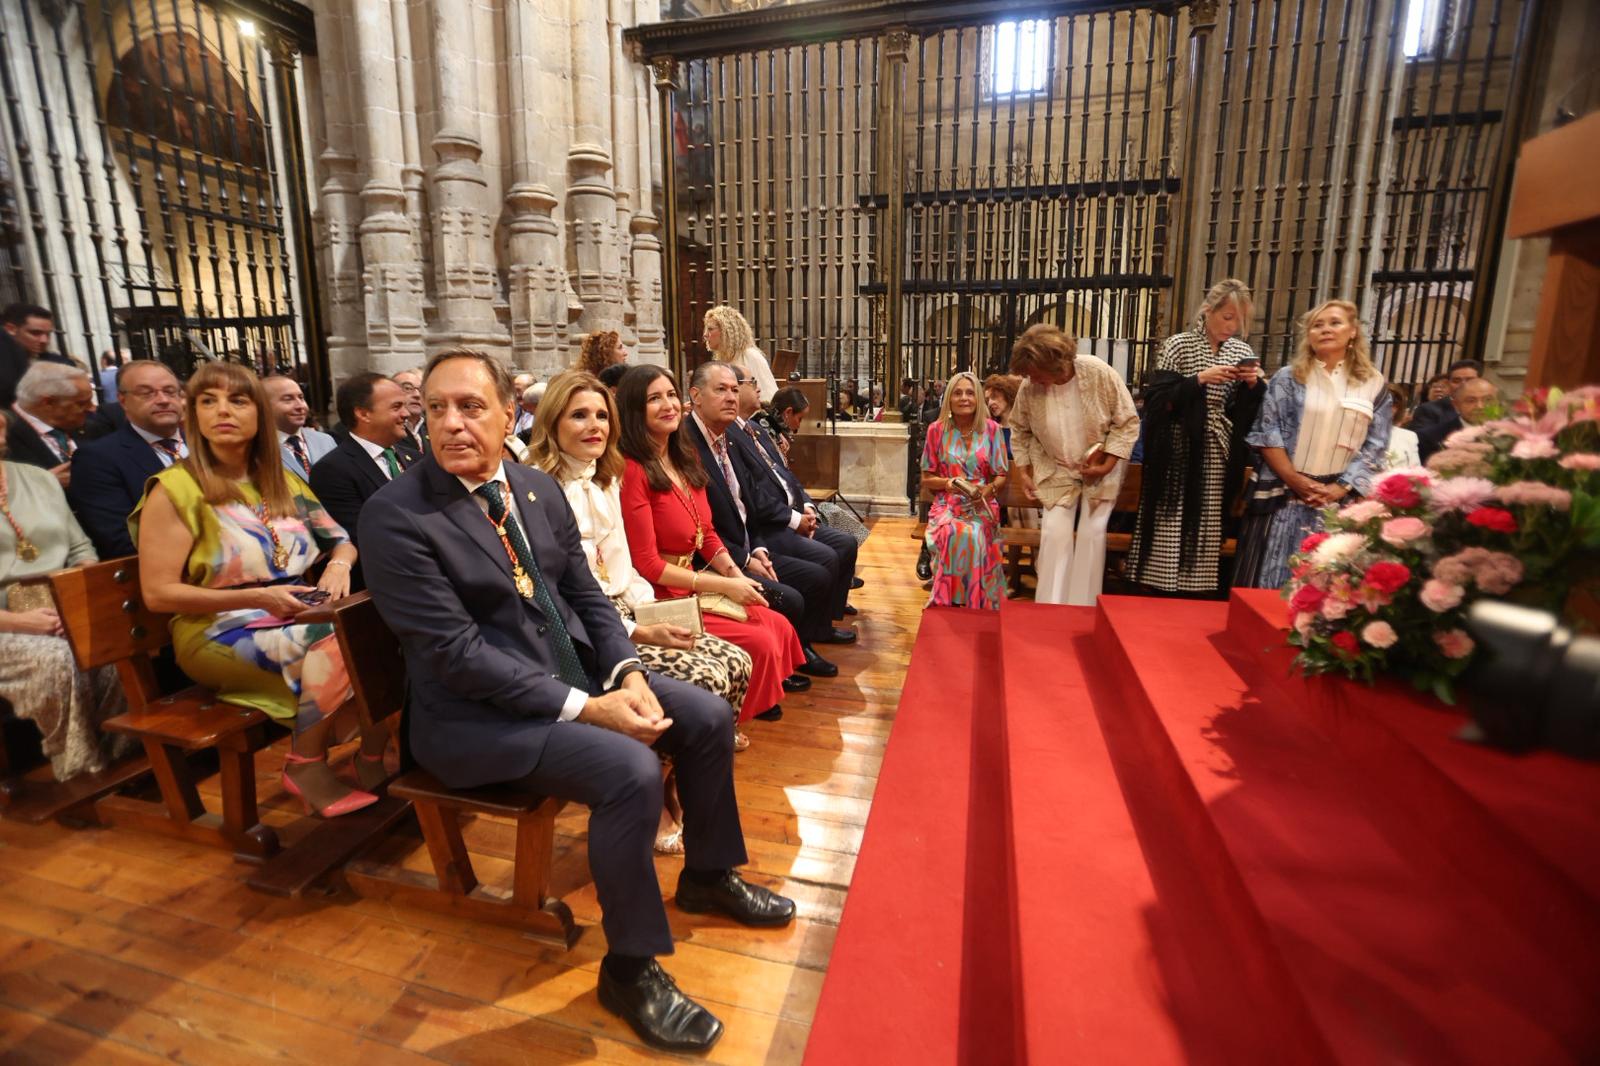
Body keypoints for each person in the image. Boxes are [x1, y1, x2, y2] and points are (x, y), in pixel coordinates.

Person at [360, 350, 794, 1054]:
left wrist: (626, 672)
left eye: (471, 407)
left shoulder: (532, 489)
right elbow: (456, 656)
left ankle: (710, 876)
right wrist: (589, 708)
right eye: (435, 408)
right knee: (627, 772)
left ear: (509, 414)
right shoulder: (398, 515)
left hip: (563, 686)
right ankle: (630, 968)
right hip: (473, 721)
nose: (450, 423)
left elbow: (586, 596)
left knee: (707, 716)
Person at [132, 362, 379, 814]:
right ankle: (306, 763)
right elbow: (159, 594)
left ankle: (375, 753)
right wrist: (258, 597)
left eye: (238, 400)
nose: (222, 411)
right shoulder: (176, 490)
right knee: (340, 641)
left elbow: (340, 539)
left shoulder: (280, 480)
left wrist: (338, 567)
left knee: (382, 624)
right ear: (194, 416)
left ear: (259, 415)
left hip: (293, 608)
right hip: (217, 628)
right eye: (208, 401)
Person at [527, 370, 757, 849]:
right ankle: (652, 786)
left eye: (600, 416)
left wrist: (652, 614)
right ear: (551, 422)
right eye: (579, 416)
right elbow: (565, 594)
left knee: (735, 659)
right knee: (708, 677)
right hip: (582, 631)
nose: (594, 426)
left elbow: (625, 567)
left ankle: (672, 778)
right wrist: (636, 630)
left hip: (623, 606)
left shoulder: (605, 477)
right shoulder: (539, 488)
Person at [616, 364, 809, 719]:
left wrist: (736, 575)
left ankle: (747, 701)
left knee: (776, 621)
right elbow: (649, 565)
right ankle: (728, 717)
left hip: (695, 580)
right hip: (661, 593)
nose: (668, 405)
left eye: (671, 394)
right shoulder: (633, 469)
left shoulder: (682, 455)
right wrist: (722, 583)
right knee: (762, 639)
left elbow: (708, 534)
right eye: (654, 399)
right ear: (633, 410)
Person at [686, 361, 851, 684]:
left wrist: (758, 547)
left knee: (822, 566)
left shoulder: (727, 438)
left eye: (735, 389)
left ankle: (799, 647)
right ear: (695, 396)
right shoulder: (688, 444)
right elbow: (702, 525)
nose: (731, 397)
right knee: (795, 593)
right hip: (718, 558)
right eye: (721, 390)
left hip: (750, 541)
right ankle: (786, 660)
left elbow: (747, 501)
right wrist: (745, 559)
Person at [0, 410, 128, 780]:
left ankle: (124, 754)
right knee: (59, 660)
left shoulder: (38, 479)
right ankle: (79, 767)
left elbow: (80, 547)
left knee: (114, 645)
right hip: (8, 622)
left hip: (62, 601)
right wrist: (19, 621)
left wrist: (86, 595)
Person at [1234, 299, 1393, 590]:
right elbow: (1267, 433)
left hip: (1338, 501)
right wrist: (1296, 480)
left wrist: (1340, 488)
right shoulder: (1288, 378)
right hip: (1284, 494)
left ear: (1353, 331)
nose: (1325, 330)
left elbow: (1377, 444)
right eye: (1317, 325)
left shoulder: (1373, 383)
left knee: (1326, 585)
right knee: (1270, 579)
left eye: (1335, 323)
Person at [1126, 278, 1265, 596]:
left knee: (1208, 512)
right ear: (1208, 310)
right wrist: (1199, 379)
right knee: (1170, 513)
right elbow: (1158, 401)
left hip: (1217, 444)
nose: (1231, 326)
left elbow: (1246, 410)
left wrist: (1253, 385)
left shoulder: (1240, 350)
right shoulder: (1179, 344)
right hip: (1176, 444)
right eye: (1227, 317)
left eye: (1238, 321)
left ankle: (1195, 586)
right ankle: (1159, 583)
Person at [1007, 325, 1139, 607]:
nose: (1031, 380)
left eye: (1035, 373)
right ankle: (1050, 607)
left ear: (1056, 363)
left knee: (1092, 533)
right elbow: (1019, 429)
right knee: (1055, 532)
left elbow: (1127, 422)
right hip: (1055, 468)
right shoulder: (1030, 387)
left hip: (1101, 465)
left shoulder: (1097, 372)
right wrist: (1025, 471)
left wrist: (1107, 463)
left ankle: (1083, 607)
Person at [732, 368, 862, 614]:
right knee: (836, 539)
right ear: (788, 412)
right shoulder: (761, 428)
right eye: (800, 419)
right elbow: (757, 491)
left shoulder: (759, 429)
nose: (800, 426)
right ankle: (832, 596)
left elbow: (787, 476)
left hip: (796, 506)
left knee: (850, 534)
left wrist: (807, 506)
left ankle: (838, 596)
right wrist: (796, 517)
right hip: (777, 519)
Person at [67, 360, 187, 558]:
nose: (163, 400)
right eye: (147, 393)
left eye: (170, 391)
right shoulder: (97, 458)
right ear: (122, 401)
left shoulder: (206, 444)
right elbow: (121, 539)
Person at [307, 373, 413, 589]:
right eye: (396, 407)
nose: (406, 413)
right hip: (382, 588)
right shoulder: (332, 470)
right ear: (363, 413)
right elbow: (362, 538)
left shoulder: (416, 458)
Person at [920, 371, 1009, 609]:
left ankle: (976, 602)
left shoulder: (992, 430)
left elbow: (1001, 474)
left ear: (978, 398)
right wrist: (947, 484)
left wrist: (987, 491)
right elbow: (927, 477)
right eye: (957, 393)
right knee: (952, 532)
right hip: (947, 503)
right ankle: (948, 601)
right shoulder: (936, 430)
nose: (964, 398)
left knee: (976, 534)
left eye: (970, 393)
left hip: (982, 503)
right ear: (949, 398)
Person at [7, 362, 96, 488]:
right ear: (48, 402)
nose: (92, 408)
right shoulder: (5, 436)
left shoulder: (88, 426)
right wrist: (44, 484)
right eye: (82, 403)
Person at [264, 374, 336, 480]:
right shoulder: (259, 449)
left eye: (301, 398)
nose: (300, 406)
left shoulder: (325, 441)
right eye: (288, 399)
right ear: (265, 406)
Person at [702, 305, 778, 403]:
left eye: (710, 329)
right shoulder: (721, 360)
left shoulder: (750, 356)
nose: (705, 334)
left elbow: (768, 397)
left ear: (726, 331)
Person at [1416, 377, 1499, 461]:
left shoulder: (1509, 433)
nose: (1480, 406)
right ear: (1456, 405)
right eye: (1471, 400)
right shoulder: (1430, 437)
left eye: (1488, 400)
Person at [392, 367, 427, 458]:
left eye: (421, 390)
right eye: (408, 388)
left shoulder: (432, 428)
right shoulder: (386, 430)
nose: (417, 395)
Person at [1385, 383, 1420, 469]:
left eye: (1394, 404)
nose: (1389, 408)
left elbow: (1416, 473)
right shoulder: (1355, 434)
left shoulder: (1409, 436)